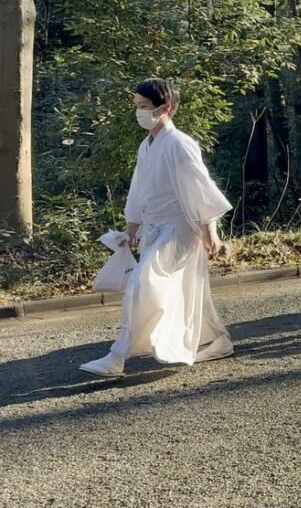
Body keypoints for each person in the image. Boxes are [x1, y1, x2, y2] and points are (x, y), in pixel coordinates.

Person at [80, 78, 234, 377]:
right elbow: (139, 189)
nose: (138, 112)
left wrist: (210, 229)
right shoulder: (146, 145)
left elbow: (200, 187)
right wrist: (131, 228)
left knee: (142, 284)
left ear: (165, 108)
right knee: (186, 288)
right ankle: (218, 339)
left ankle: (117, 356)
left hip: (179, 228)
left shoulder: (180, 144)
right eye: (136, 106)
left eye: (144, 106)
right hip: (154, 228)